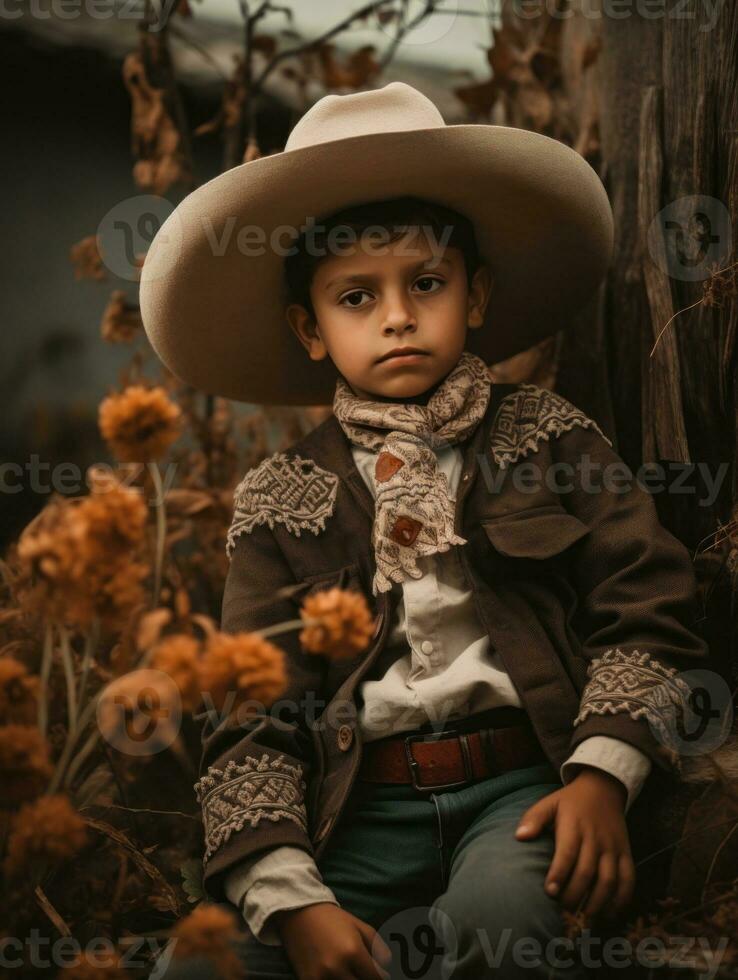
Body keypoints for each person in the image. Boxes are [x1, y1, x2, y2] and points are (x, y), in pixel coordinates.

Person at [141, 82, 709, 980]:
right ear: (311, 328)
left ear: (475, 296)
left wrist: (603, 772)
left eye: (428, 284)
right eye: (357, 297)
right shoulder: (283, 499)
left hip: (525, 785)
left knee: (505, 925)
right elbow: (253, 711)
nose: (398, 314)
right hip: (355, 809)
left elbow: (646, 598)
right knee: (200, 967)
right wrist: (295, 899)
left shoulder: (549, 437)